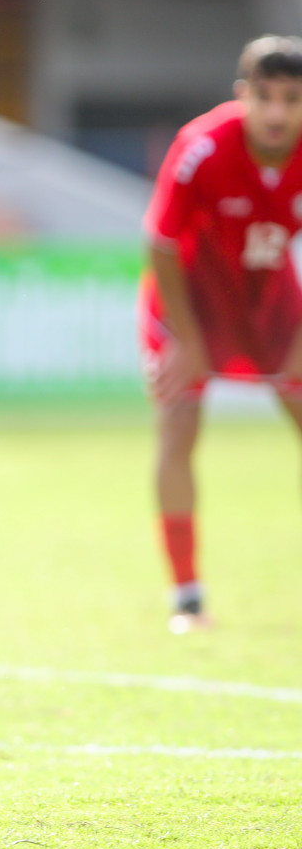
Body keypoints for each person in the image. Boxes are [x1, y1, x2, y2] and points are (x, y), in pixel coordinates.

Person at [141, 34, 302, 634]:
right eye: (266, 97)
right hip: (189, 299)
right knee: (179, 425)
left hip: (269, 296)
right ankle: (187, 598)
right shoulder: (201, 148)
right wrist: (186, 340)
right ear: (244, 97)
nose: (279, 112)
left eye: (293, 98)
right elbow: (159, 242)